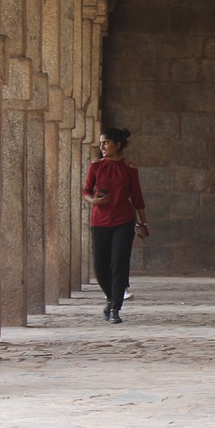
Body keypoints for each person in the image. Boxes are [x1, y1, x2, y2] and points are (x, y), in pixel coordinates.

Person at [83, 127, 148, 324]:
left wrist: (143, 223)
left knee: (119, 264)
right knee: (100, 266)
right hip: (99, 221)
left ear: (117, 145)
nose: (102, 146)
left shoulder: (129, 169)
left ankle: (115, 309)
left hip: (123, 221)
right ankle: (111, 298)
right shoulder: (96, 167)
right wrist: (94, 201)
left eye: (106, 142)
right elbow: (86, 191)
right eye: (101, 143)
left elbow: (137, 197)